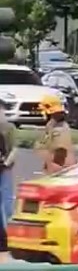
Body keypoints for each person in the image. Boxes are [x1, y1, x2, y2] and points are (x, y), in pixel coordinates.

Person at [36, 93, 75, 174]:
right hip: (54, 168)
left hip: (60, 169)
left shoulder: (59, 128)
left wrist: (55, 168)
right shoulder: (53, 125)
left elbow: (61, 149)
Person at [0, 95, 17, 227]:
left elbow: (13, 149)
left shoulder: (8, 127)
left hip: (4, 167)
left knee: (6, 200)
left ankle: (8, 230)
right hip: (4, 166)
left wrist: (6, 163)